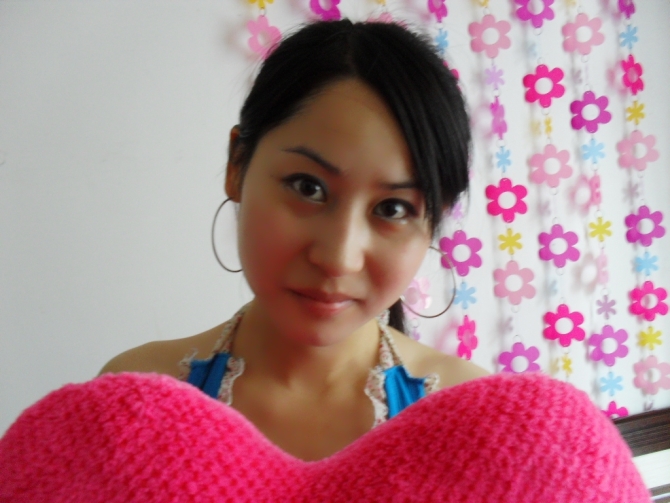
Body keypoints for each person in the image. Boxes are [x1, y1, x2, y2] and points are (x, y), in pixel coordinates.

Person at [99, 19, 489, 462]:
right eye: (308, 187)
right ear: (237, 165)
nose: (338, 258)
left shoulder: (470, 418)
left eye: (392, 209)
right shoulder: (135, 398)